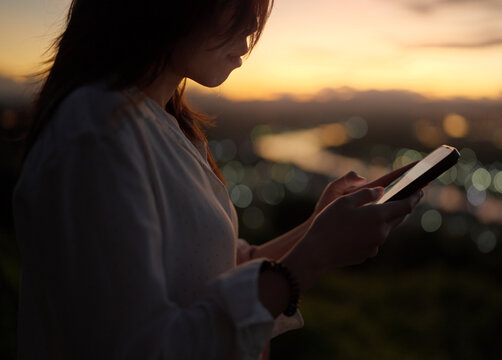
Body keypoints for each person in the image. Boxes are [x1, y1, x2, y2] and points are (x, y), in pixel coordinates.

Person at [12, 0, 423, 359]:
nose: (249, 30)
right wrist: (315, 255)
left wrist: (319, 227)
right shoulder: (98, 132)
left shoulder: (162, 123)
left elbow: (219, 269)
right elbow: (141, 349)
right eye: (239, 5)